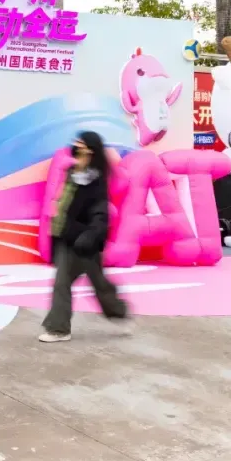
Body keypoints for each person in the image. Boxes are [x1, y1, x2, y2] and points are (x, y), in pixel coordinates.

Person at [40, 130, 131, 343]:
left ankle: (119, 312)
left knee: (99, 285)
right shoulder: (71, 173)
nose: (77, 144)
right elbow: (64, 205)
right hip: (67, 239)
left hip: (86, 243)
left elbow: (100, 213)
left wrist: (90, 235)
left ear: (90, 149)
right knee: (62, 283)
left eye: (81, 142)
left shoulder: (95, 181)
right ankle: (59, 329)